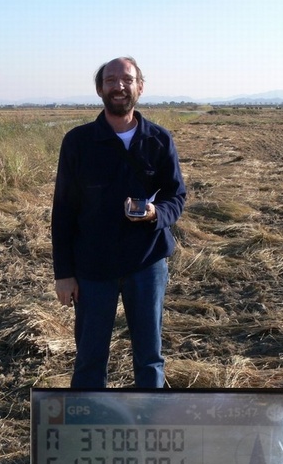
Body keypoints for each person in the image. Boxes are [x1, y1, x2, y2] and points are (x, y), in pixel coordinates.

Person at [51, 57, 186, 389]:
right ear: (100, 89)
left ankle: (149, 424)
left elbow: (176, 196)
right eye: (111, 80)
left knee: (150, 355)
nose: (119, 86)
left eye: (127, 79)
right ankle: (87, 424)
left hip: (147, 262)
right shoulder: (78, 142)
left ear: (140, 87)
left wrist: (157, 214)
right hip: (93, 266)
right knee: (90, 357)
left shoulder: (159, 140)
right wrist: (64, 273)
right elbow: (63, 211)